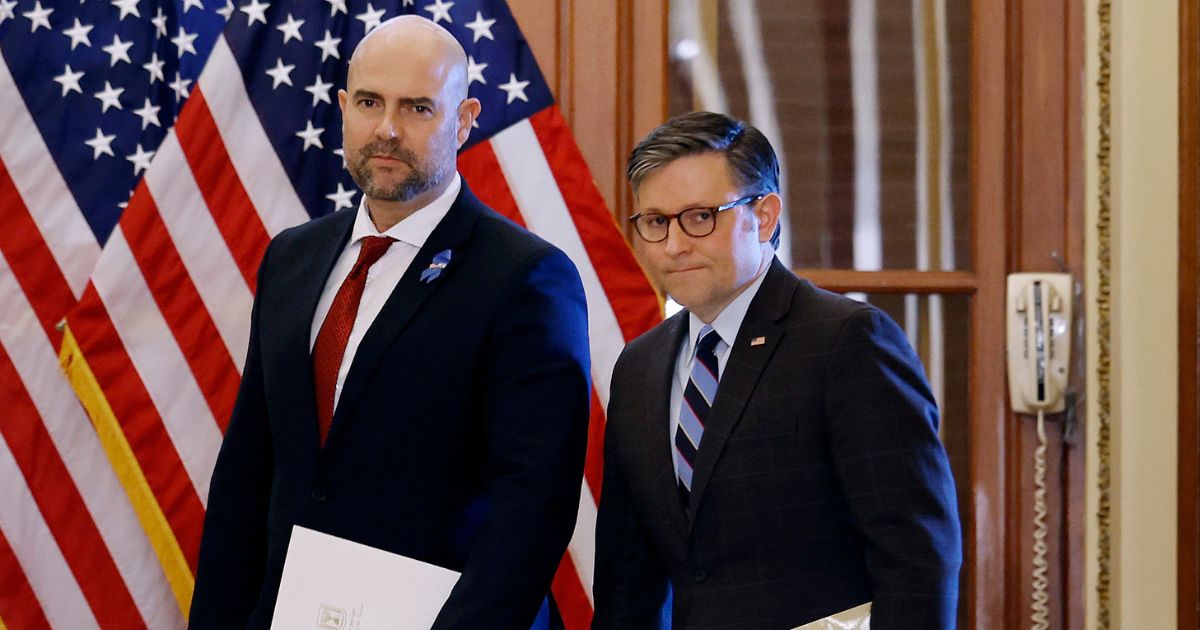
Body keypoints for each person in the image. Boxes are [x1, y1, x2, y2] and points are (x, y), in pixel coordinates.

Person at [189, 16, 590, 629]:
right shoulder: (290, 260)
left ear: (463, 119)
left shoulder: (526, 277)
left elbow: (533, 506)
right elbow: (250, 470)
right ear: (344, 107)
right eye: (371, 103)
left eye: (418, 108)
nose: (388, 129)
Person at [592, 111, 961, 629]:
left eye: (700, 217)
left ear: (763, 217)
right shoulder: (640, 365)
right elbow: (628, 576)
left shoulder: (847, 341)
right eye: (656, 222)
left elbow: (918, 558)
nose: (674, 246)